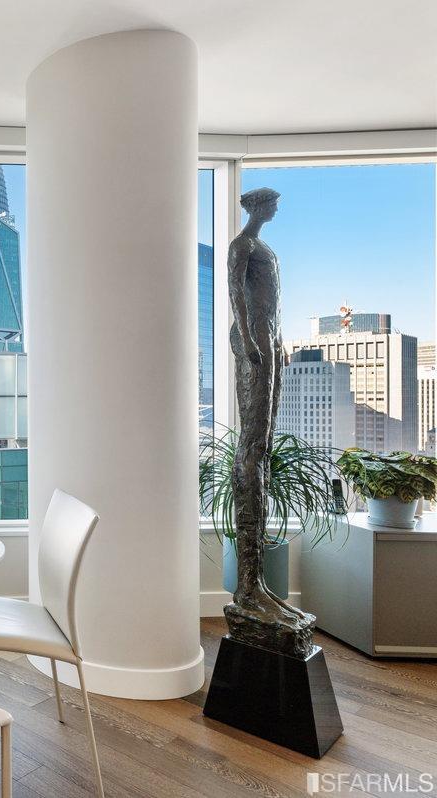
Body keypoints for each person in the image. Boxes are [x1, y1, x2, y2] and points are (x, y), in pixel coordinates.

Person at [226, 187, 314, 656]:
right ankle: (248, 588)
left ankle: (255, 584)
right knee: (251, 451)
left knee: (261, 451)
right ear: (257, 208)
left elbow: (271, 303)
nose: (277, 210)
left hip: (271, 339)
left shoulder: (267, 249)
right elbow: (236, 297)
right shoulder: (242, 246)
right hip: (255, 342)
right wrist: (254, 345)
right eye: (271, 205)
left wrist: (275, 342)